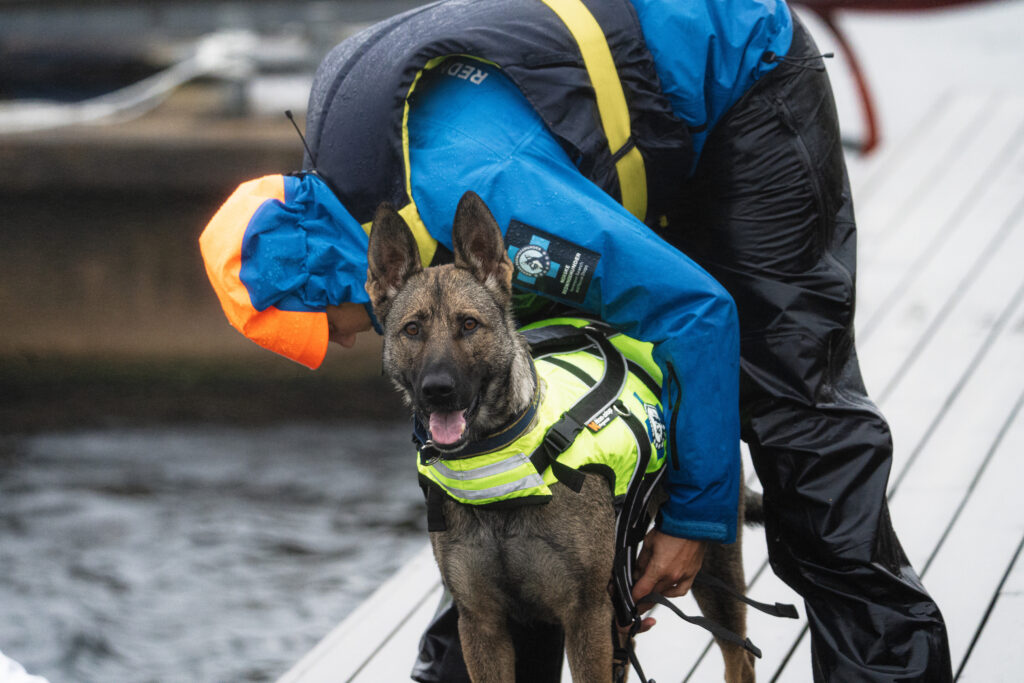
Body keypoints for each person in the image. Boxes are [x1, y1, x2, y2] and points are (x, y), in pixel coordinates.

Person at [199, 0, 952, 680]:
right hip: (618, 130)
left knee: (799, 417)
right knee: (518, 436)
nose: (342, 347)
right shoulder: (351, 183)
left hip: (739, 81)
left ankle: (890, 669)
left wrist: (693, 518)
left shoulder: (491, 197)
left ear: (337, 281)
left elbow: (696, 314)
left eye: (327, 333)